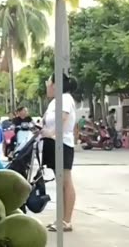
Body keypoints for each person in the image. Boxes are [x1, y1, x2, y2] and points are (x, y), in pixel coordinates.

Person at [41, 73, 77, 232]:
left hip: (62, 144)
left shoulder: (65, 98)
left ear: (56, 84)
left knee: (65, 181)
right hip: (54, 144)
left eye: (48, 81)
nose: (47, 84)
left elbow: (63, 118)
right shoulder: (55, 101)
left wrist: (52, 133)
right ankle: (61, 219)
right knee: (60, 182)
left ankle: (67, 220)